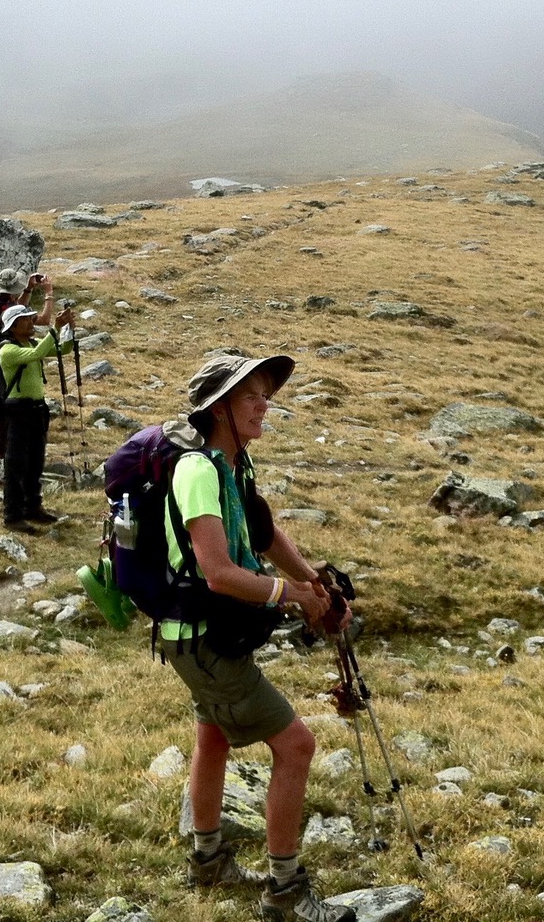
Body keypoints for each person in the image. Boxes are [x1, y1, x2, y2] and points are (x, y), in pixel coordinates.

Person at [163, 353, 355, 922]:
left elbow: (265, 535)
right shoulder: (198, 472)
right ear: (217, 408)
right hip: (204, 639)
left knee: (212, 737)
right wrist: (290, 594)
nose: (263, 405)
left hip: (203, 635)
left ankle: (208, 861)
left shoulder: (234, 466)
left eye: (265, 394)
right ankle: (285, 891)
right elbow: (219, 573)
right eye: (250, 395)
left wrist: (315, 583)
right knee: (296, 746)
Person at [0, 301, 74, 534]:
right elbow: (38, 354)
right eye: (25, 320)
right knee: (16, 463)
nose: (31, 323)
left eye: (31, 318)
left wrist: (68, 329)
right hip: (19, 410)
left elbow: (63, 350)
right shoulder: (8, 350)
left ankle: (32, 507)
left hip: (37, 409)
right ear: (13, 326)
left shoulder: (30, 343)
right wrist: (55, 328)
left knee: (35, 461)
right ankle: (12, 515)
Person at [0, 269, 57, 459]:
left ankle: (1, 459)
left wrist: (29, 289)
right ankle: (4, 464)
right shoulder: (8, 309)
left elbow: (17, 312)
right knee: (6, 421)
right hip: (3, 368)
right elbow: (43, 320)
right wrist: (49, 294)